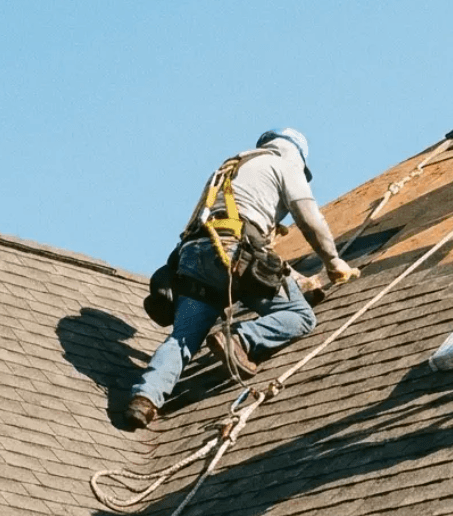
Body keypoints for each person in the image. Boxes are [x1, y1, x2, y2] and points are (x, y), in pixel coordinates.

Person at [127, 129, 358, 428]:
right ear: (296, 156)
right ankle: (240, 341)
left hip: (194, 257)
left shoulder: (228, 169)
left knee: (183, 337)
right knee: (299, 315)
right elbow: (308, 218)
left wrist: (299, 281)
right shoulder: (285, 165)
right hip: (235, 254)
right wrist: (333, 261)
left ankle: (145, 398)